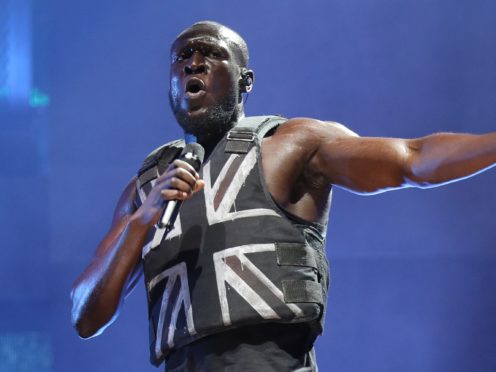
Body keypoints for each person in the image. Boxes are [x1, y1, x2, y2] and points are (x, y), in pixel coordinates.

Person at [71, 21, 496, 371]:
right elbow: (85, 316)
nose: (193, 63)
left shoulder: (289, 143)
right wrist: (141, 221)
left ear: (245, 80)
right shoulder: (146, 189)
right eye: (181, 57)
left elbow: (412, 158)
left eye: (210, 54)